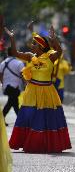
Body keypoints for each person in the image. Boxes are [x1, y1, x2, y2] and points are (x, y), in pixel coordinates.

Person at [6, 25, 72, 153]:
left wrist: (54, 40)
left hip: (47, 90)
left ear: (41, 46)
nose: (32, 45)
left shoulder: (50, 56)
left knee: (46, 117)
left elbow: (59, 51)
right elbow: (14, 53)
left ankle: (45, 144)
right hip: (32, 90)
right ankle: (28, 141)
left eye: (34, 44)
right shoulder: (30, 56)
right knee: (29, 115)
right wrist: (12, 39)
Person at [0, 14, 13, 172]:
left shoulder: (4, 62)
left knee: (12, 101)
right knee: (13, 101)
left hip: (8, 86)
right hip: (11, 86)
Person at [0, 47, 25, 126]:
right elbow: (23, 75)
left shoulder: (2, 63)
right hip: (16, 87)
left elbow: (1, 75)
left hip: (6, 87)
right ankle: (21, 121)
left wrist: (3, 84)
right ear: (15, 52)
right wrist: (25, 85)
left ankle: (3, 119)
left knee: (12, 102)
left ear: (7, 53)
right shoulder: (19, 63)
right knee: (14, 103)